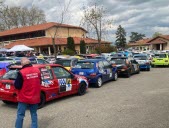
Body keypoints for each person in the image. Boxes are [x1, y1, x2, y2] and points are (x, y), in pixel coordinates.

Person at [14, 57, 41, 128]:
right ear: (29, 63)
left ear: (22, 64)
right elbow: (39, 82)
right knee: (34, 113)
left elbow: (17, 86)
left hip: (23, 97)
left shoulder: (21, 72)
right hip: (35, 96)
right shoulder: (37, 70)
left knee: (20, 115)